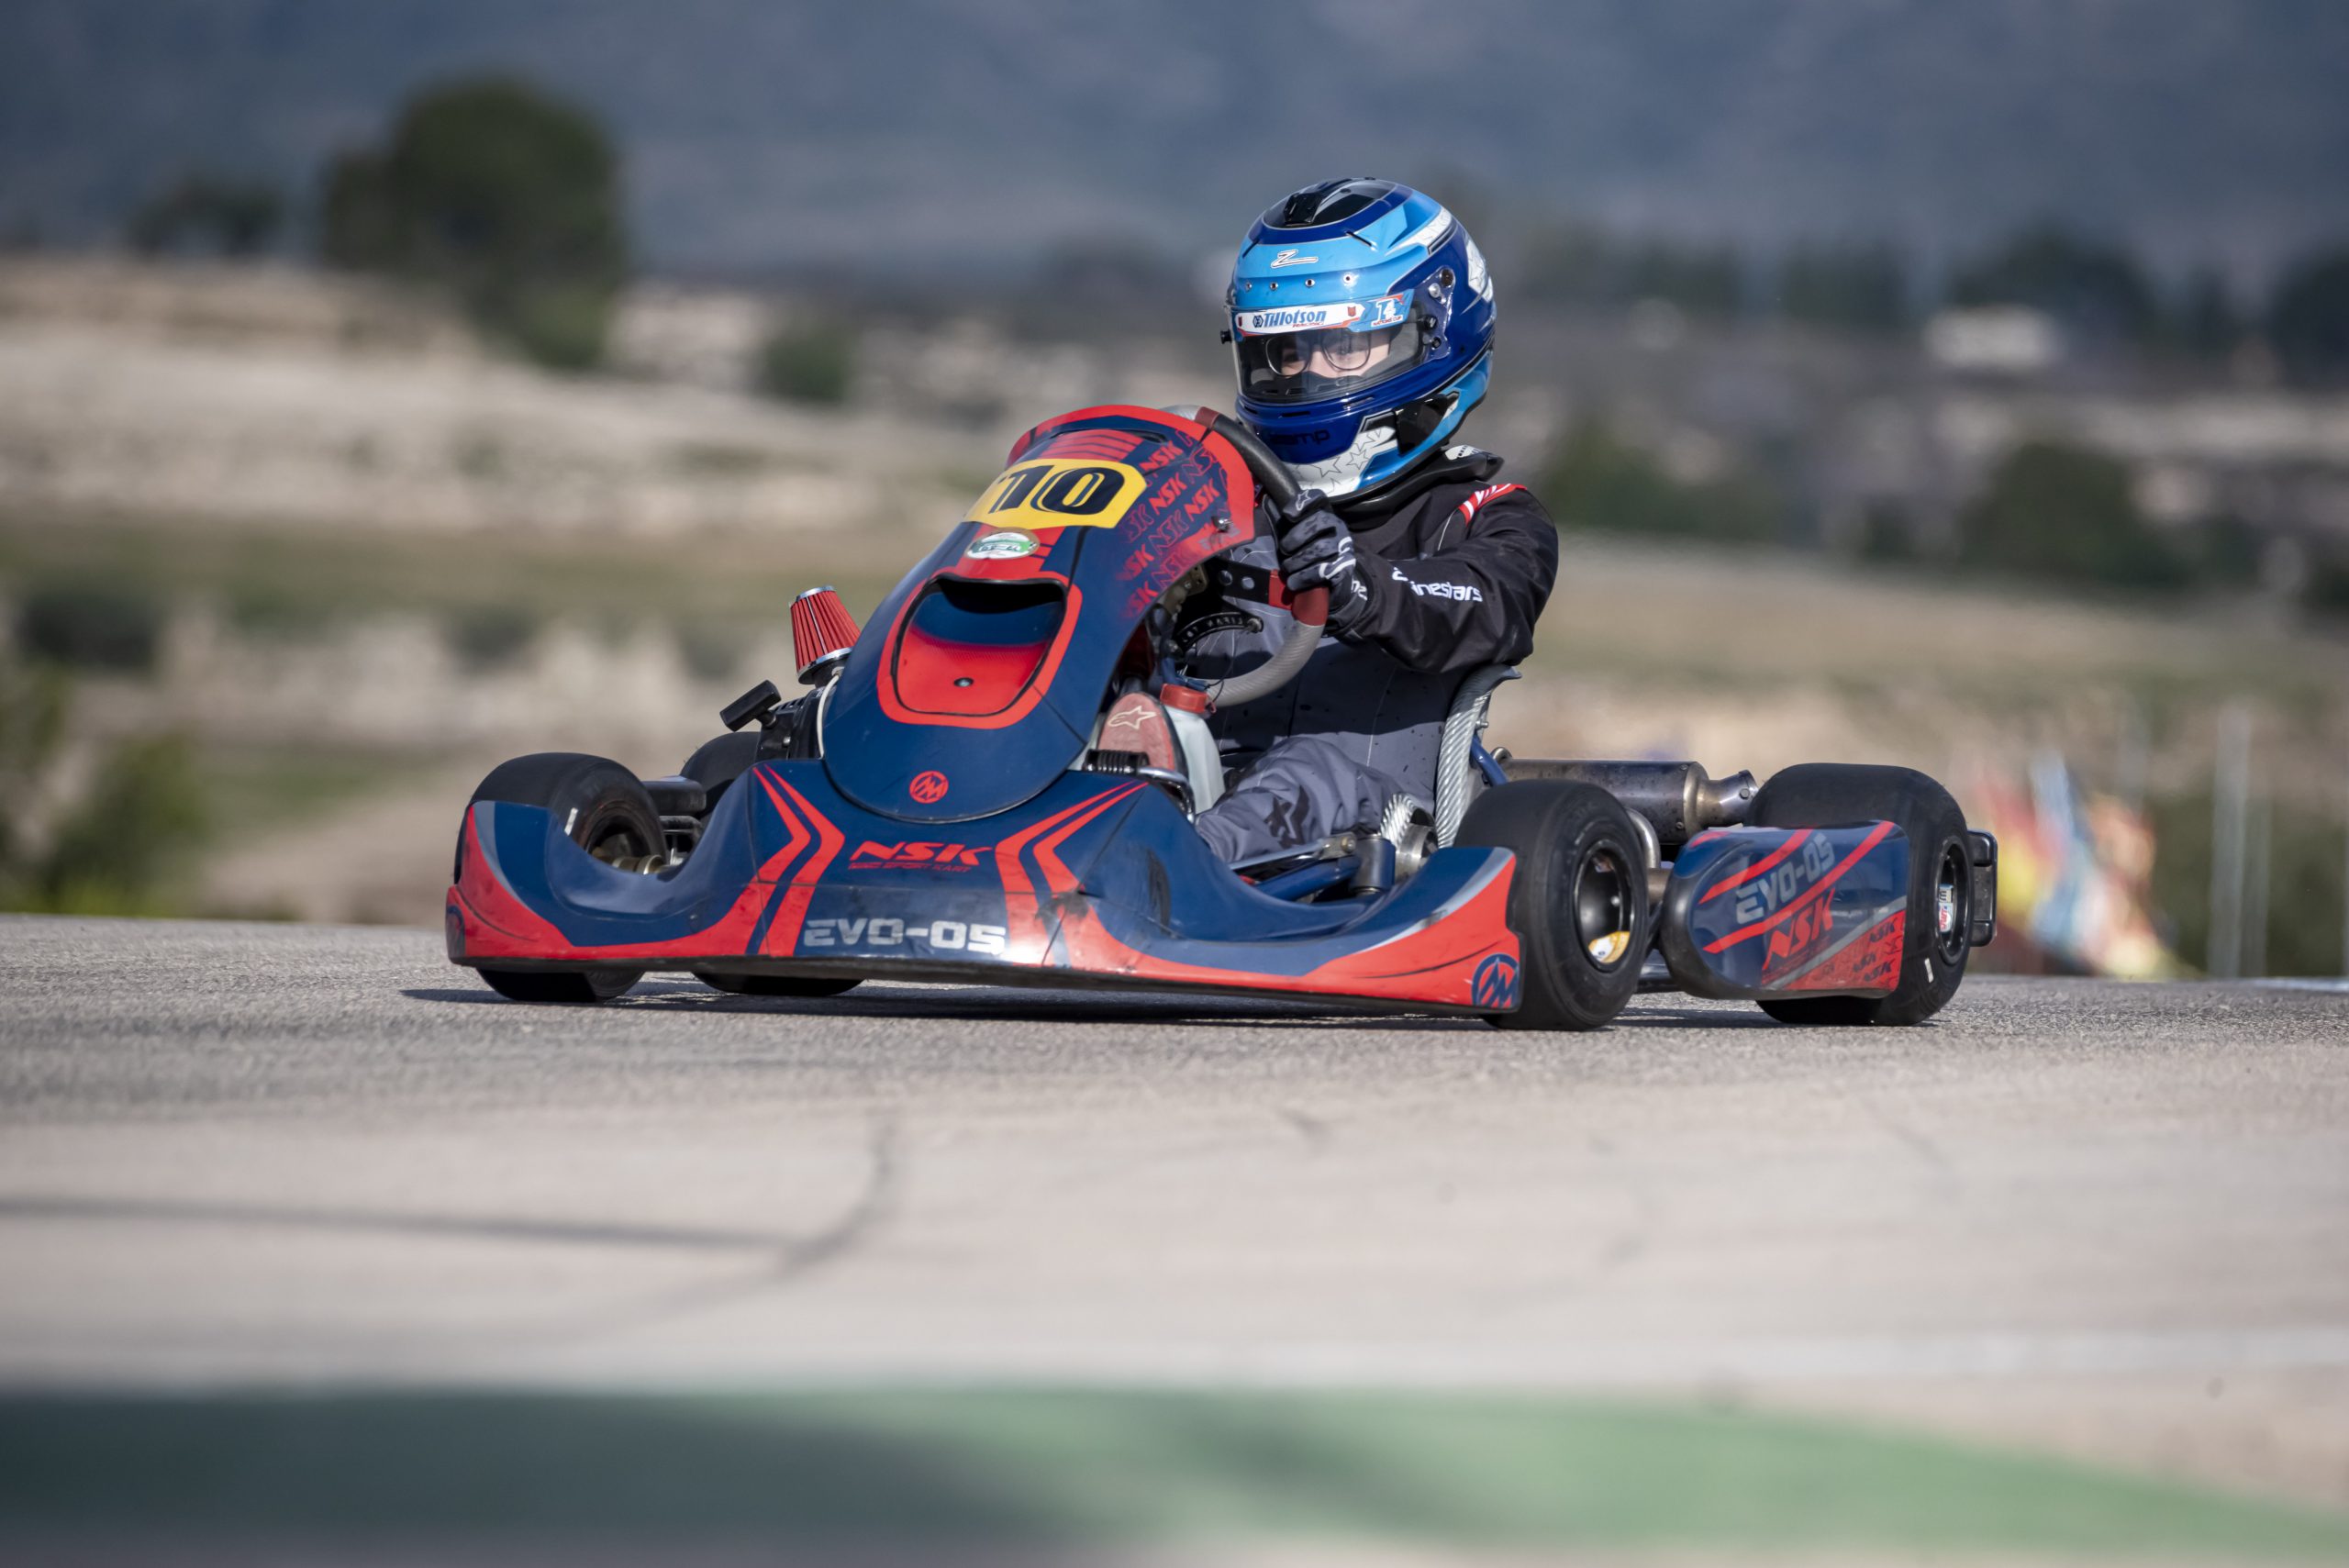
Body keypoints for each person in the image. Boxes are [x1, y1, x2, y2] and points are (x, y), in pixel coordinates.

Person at [1183, 179, 1560, 864]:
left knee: (1305, 772)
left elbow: (1481, 606)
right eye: (1286, 353)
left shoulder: (1488, 515)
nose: (1307, 376)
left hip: (1376, 837)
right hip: (1198, 793)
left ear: (1433, 336)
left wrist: (1360, 587)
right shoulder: (1217, 506)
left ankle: (1162, 871)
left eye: (1344, 347)